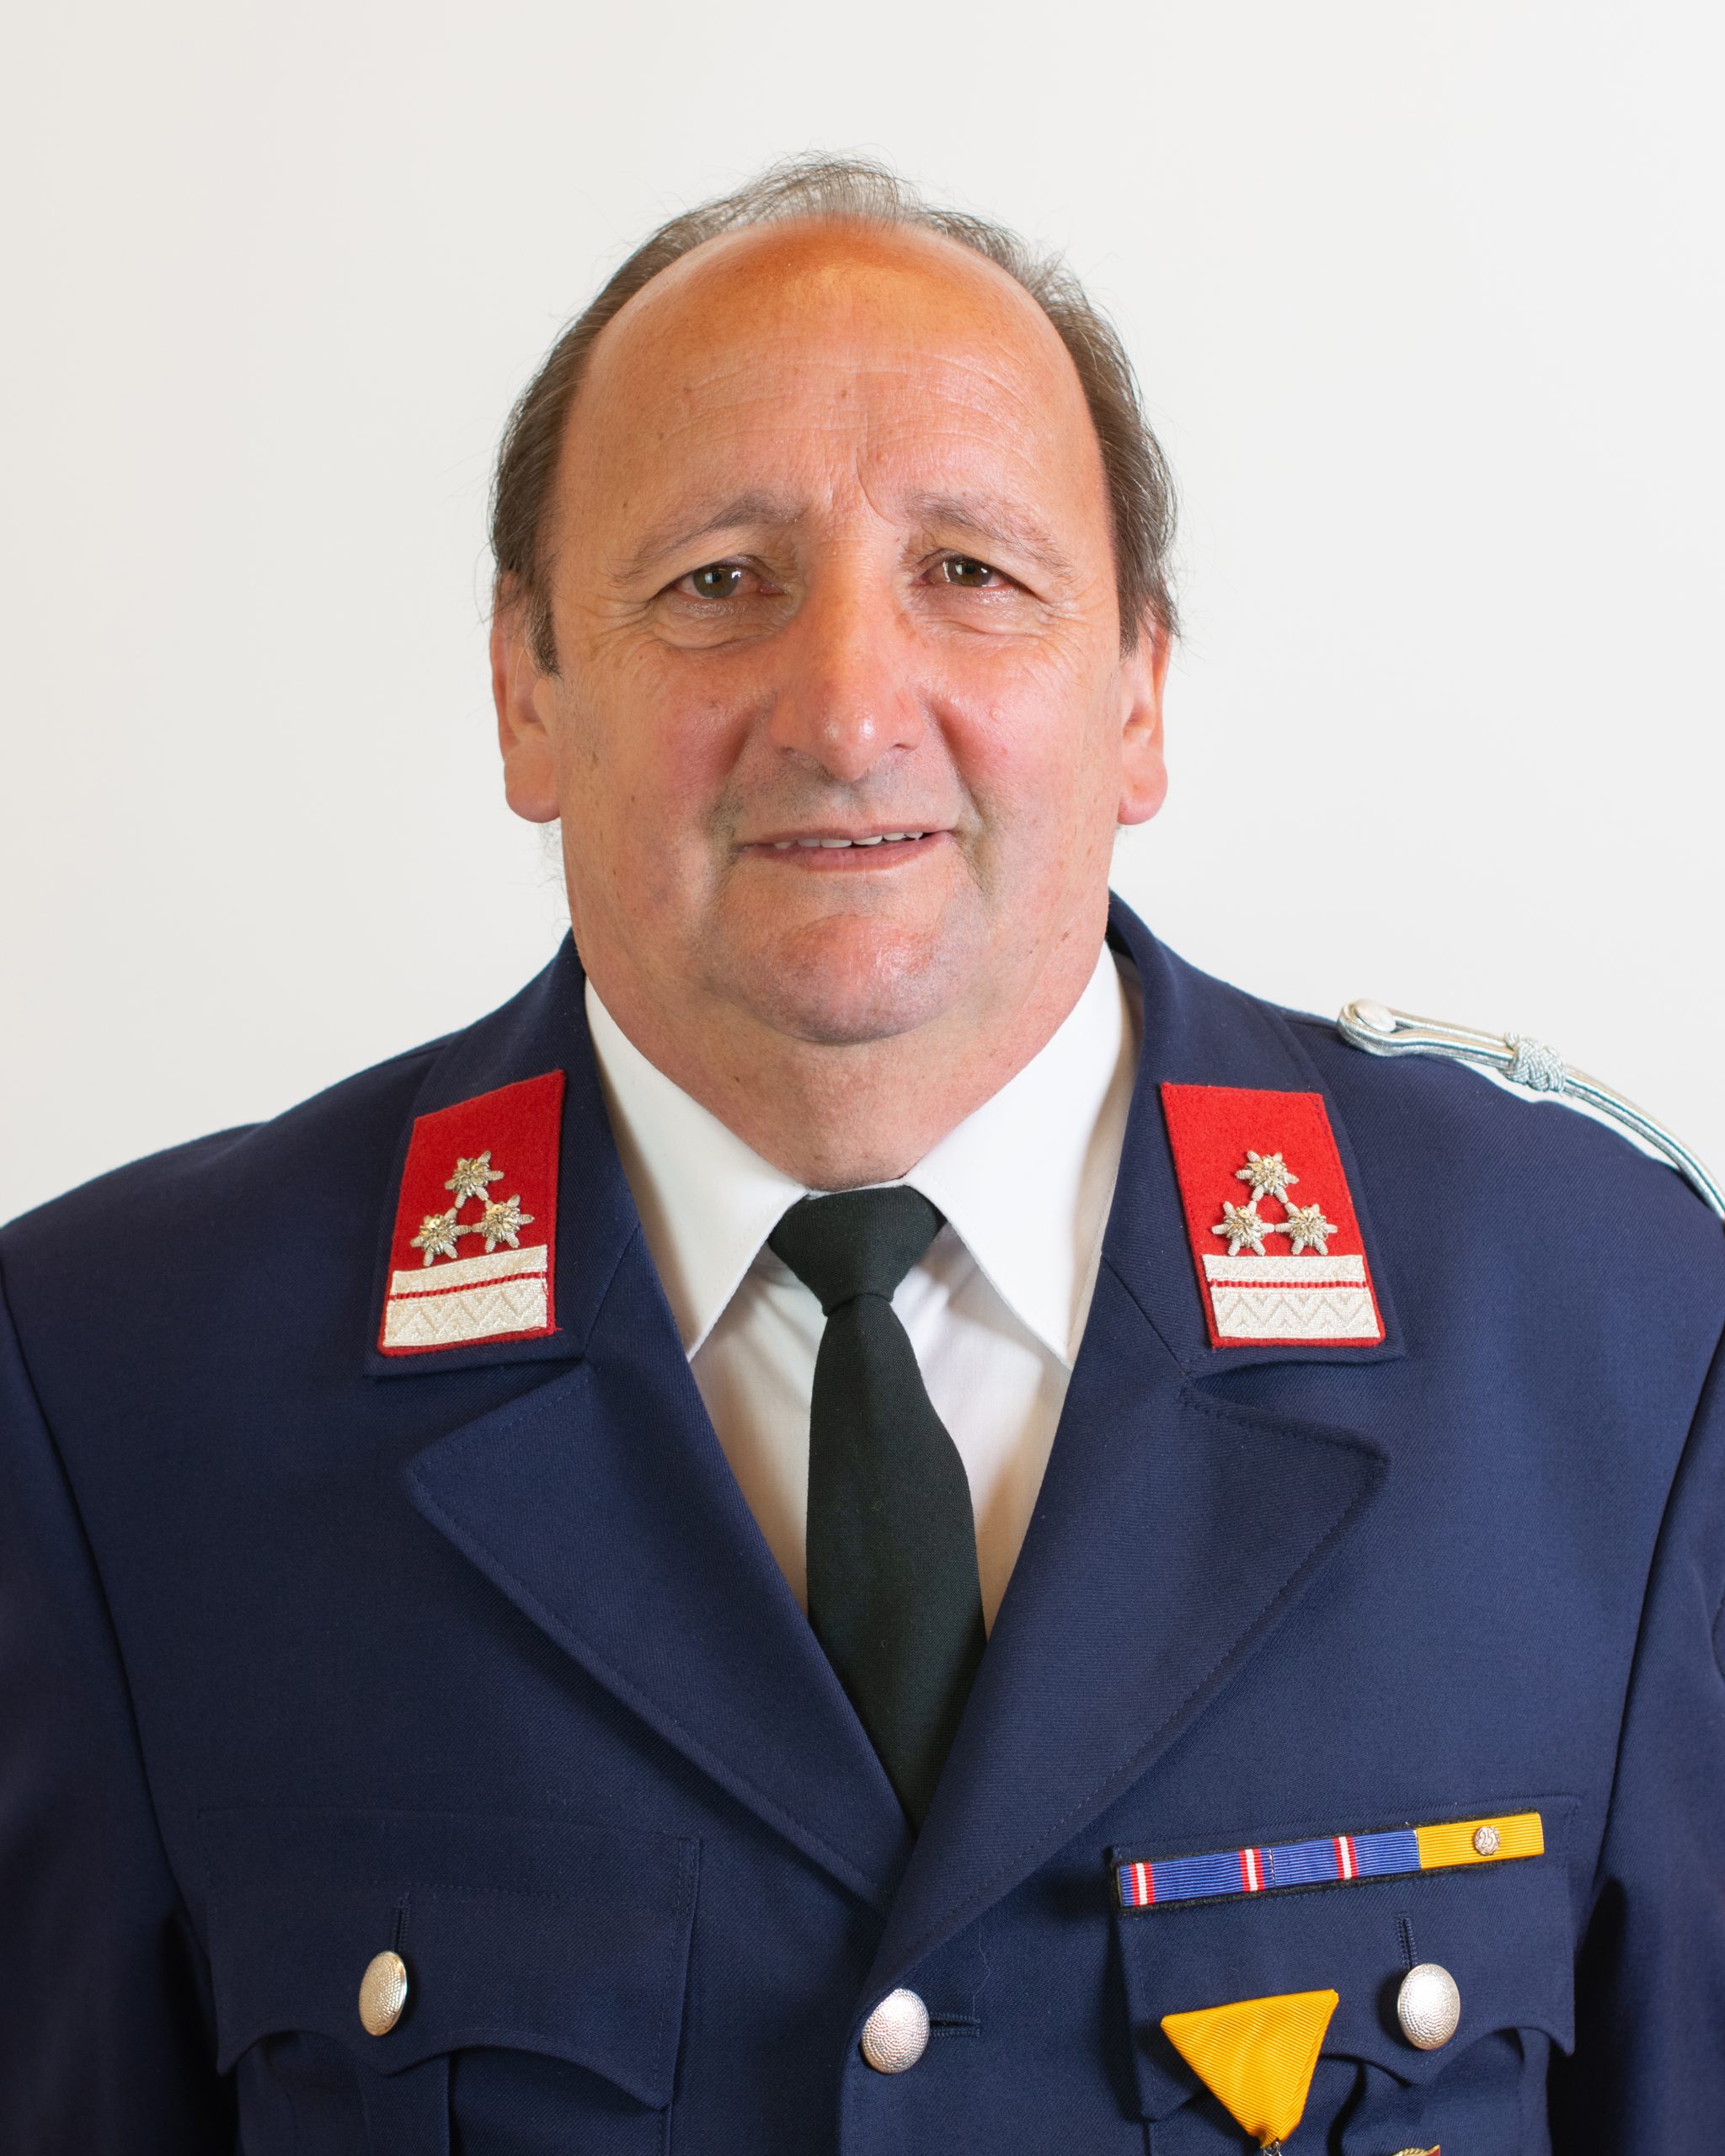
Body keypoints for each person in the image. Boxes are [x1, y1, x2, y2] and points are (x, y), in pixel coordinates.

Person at [1, 157, 1720, 2156]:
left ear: (1140, 689)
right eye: (714, 580)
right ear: (524, 689)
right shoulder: (117, 1384)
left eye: (970, 573)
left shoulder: (1607, 1330)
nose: (842, 707)